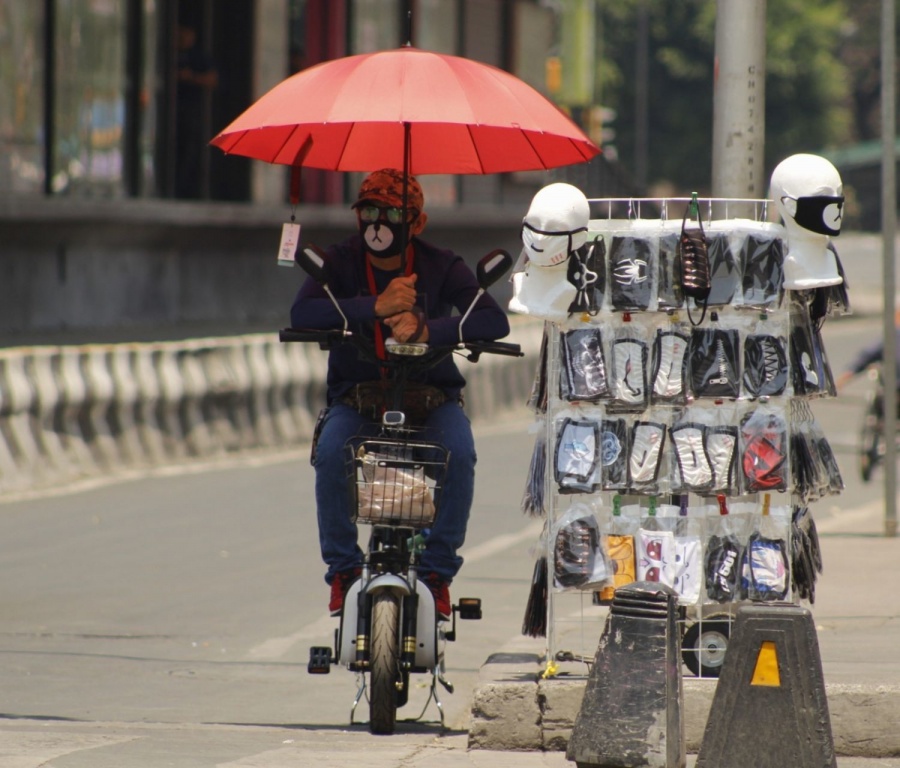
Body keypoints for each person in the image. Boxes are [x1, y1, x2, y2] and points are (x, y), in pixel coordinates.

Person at [290, 168, 511, 618]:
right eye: (369, 211)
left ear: (418, 222)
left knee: (461, 453)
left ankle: (437, 572)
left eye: (393, 213)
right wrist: (374, 306)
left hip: (431, 400)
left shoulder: (441, 264)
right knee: (331, 453)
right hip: (359, 399)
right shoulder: (340, 261)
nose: (379, 223)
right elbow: (302, 312)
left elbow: (493, 320)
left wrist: (428, 328)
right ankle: (344, 573)